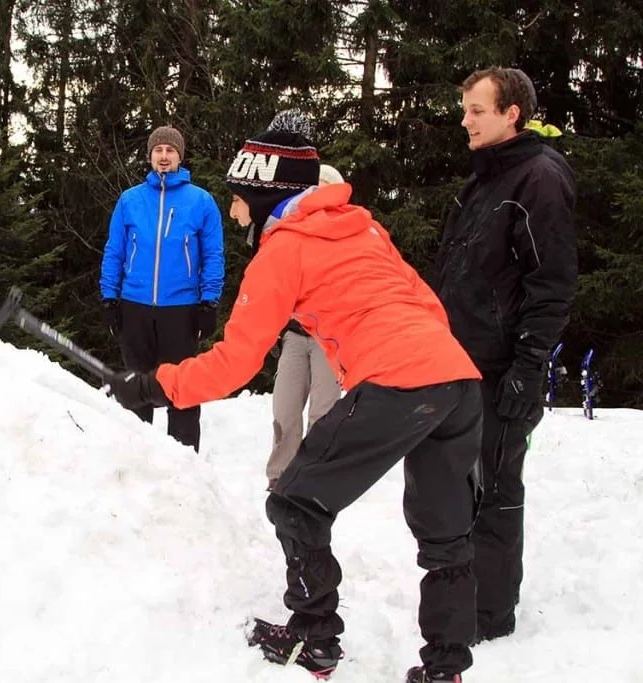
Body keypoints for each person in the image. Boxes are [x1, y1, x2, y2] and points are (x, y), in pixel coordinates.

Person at [109, 110, 483, 683]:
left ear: (263, 194)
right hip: (456, 378)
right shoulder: (363, 226)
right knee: (446, 533)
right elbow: (425, 301)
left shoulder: (282, 250)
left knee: (293, 502)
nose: (233, 211)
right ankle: (446, 667)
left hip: (396, 380)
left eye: (238, 198)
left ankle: (316, 637)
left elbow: (234, 363)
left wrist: (155, 384)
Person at [434, 67, 577, 644]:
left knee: (496, 486)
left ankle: (490, 614)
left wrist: (528, 365)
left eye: (476, 110)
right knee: (462, 484)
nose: (464, 120)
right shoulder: (488, 176)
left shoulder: (539, 178)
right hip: (462, 360)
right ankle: (468, 598)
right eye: (464, 109)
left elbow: (553, 282)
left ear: (511, 112)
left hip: (503, 367)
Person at [99, 125, 225, 452]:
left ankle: (184, 461)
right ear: (150, 156)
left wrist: (208, 303)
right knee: (135, 384)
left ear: (180, 156)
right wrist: (109, 298)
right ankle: (135, 456)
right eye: (158, 151)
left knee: (181, 388)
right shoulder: (130, 200)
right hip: (134, 304)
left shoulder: (201, 201)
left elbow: (212, 254)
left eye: (170, 151)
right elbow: (115, 250)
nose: (164, 156)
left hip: (181, 309)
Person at [266, 162, 344, 491]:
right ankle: (280, 477)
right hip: (295, 336)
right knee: (285, 409)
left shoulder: (347, 233)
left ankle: (315, 479)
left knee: (323, 413)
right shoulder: (291, 233)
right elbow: (274, 286)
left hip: (330, 336)